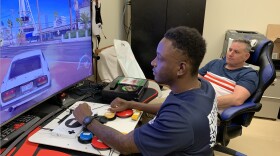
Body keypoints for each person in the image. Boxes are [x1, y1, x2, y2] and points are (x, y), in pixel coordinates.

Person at [73, 26, 218, 156]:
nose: (153, 62)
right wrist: (132, 104)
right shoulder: (203, 87)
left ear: (181, 68)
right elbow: (169, 107)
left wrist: (87, 119)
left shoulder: (180, 120)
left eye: (160, 59)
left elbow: (124, 145)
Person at [198, 39, 259, 113]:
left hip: (211, 112)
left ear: (246, 56)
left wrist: (202, 103)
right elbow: (193, 79)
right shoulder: (215, 63)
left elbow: (237, 99)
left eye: (236, 52)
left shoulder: (248, 74)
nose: (230, 54)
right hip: (194, 102)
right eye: (230, 50)